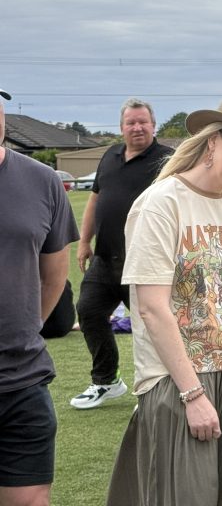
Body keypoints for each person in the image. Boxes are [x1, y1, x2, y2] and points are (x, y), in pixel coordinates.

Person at [106, 95, 222, 506]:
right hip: (179, 378)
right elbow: (151, 307)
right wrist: (192, 395)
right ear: (212, 142)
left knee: (221, 497)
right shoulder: (161, 203)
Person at [0, 88, 77, 506]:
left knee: (29, 500)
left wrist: (26, 328)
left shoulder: (42, 181)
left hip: (22, 381)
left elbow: (54, 277)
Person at [71, 98, 173, 409]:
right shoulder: (110, 155)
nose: (137, 127)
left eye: (143, 122)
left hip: (145, 262)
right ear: (121, 127)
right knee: (88, 312)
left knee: (150, 328)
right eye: (131, 122)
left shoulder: (168, 160)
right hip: (105, 259)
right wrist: (85, 241)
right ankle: (107, 382)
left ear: (154, 126)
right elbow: (95, 199)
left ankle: (156, 389)